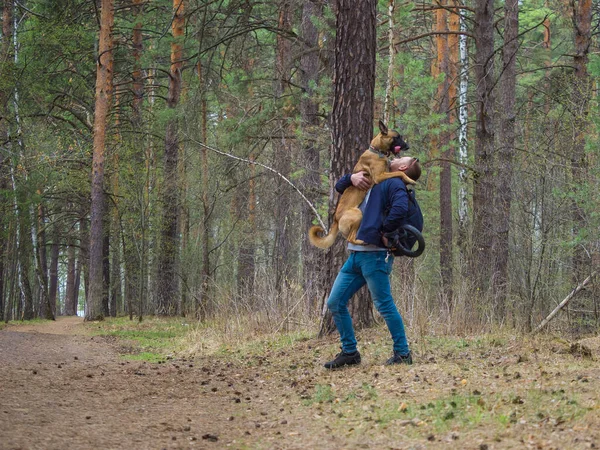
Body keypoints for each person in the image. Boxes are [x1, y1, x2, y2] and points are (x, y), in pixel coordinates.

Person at [324, 156, 423, 369]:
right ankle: (350, 352)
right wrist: (352, 177)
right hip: (356, 255)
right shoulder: (377, 176)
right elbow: (340, 186)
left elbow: (400, 207)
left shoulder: (395, 182)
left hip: (376, 256)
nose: (395, 157)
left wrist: (387, 231)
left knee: (384, 305)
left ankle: (403, 353)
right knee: (335, 302)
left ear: (404, 167)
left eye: (401, 158)